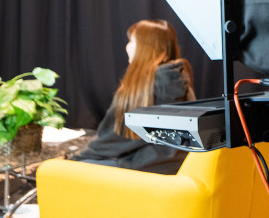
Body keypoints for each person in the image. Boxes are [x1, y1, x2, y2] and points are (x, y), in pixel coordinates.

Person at [76, 19, 197, 173]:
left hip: (145, 168)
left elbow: (114, 140)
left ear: (145, 47)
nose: (127, 47)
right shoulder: (181, 77)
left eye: (131, 41)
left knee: (70, 169)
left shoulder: (146, 85)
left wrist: (76, 158)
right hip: (177, 165)